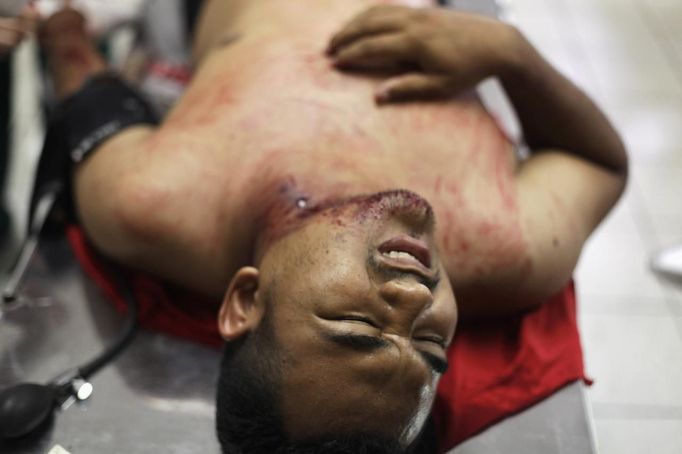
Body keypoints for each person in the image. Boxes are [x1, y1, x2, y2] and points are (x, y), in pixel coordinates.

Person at [37, 0, 627, 452]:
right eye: (430, 345)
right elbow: (600, 163)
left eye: (355, 323)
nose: (414, 296)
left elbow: (86, 85)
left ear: (245, 299)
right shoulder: (507, 246)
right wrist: (510, 54)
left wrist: (59, 21)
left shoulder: (150, 203)